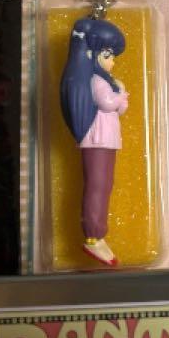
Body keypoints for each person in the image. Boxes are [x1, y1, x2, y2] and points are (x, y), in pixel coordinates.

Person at [59, 16, 128, 266]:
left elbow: (120, 109)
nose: (112, 62)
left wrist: (120, 95)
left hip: (107, 139)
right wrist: (121, 93)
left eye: (113, 56)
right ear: (93, 53)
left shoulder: (107, 81)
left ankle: (98, 235)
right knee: (97, 184)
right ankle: (93, 236)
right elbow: (108, 103)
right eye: (108, 55)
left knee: (104, 184)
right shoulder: (97, 80)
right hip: (96, 138)